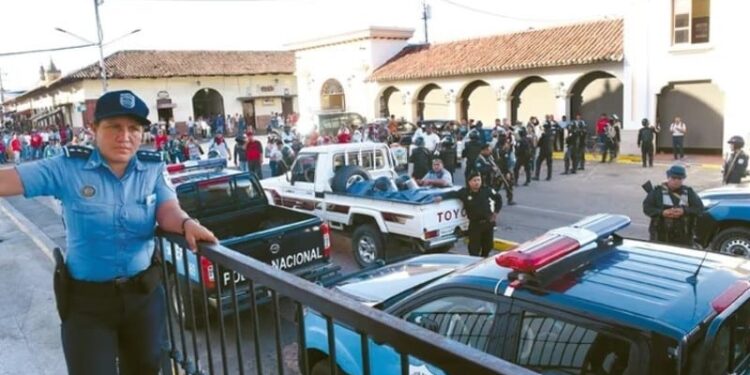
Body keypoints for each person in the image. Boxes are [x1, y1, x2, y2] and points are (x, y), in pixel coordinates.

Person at [0, 90, 218, 374]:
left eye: (134, 128)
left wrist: (187, 224)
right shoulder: (67, 167)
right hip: (87, 305)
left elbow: (167, 210)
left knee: (146, 369)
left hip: (143, 297)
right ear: (93, 128)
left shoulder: (152, 169)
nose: (124, 136)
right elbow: (10, 181)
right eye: (114, 126)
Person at [439, 172, 502, 257]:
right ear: (469, 182)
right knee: (474, 248)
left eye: (478, 180)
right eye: (474, 180)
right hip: (475, 225)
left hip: (488, 223)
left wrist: (495, 212)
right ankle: (475, 264)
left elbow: (498, 199)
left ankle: (484, 258)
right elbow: (452, 193)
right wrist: (441, 197)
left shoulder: (486, 190)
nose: (477, 182)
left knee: (488, 245)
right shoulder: (464, 193)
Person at [643, 164, 703, 246]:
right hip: (660, 237)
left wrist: (684, 211)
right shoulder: (657, 192)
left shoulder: (689, 192)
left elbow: (699, 209)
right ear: (668, 177)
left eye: (679, 179)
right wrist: (662, 212)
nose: (676, 181)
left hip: (684, 239)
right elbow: (647, 208)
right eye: (673, 178)